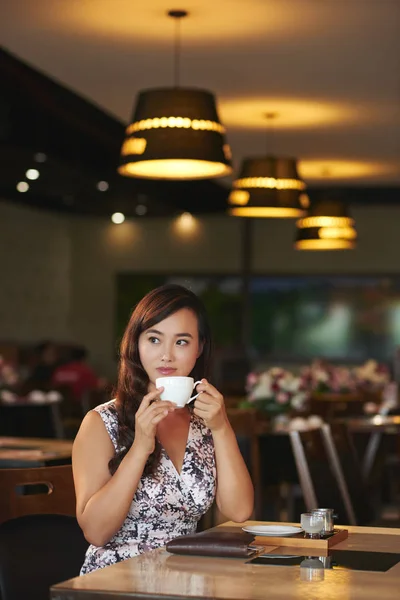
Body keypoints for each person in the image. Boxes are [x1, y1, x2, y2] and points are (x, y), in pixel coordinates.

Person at [73, 284, 254, 574]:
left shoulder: (204, 421)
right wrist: (140, 447)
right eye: (154, 339)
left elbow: (239, 511)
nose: (166, 355)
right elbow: (96, 532)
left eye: (181, 342)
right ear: (137, 344)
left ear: (200, 347)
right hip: (115, 582)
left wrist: (222, 429)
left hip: (187, 578)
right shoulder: (101, 422)